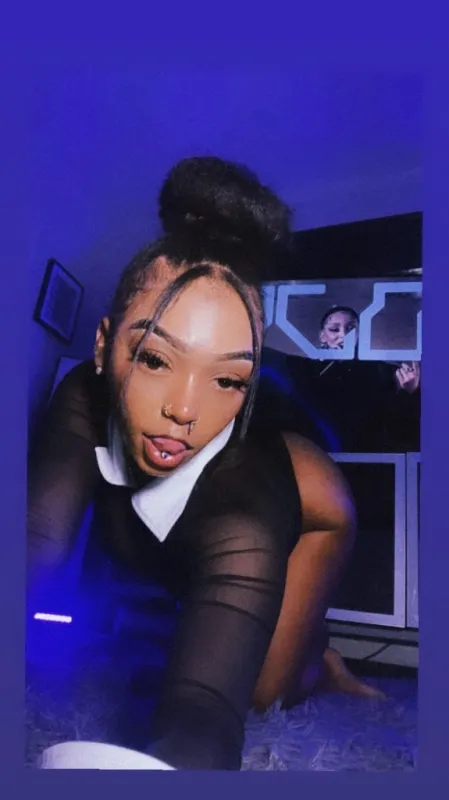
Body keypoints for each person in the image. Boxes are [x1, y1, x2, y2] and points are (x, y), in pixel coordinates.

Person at [28, 157, 379, 772]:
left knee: (263, 693)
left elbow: (205, 715)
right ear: (104, 346)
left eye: (228, 378)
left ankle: (320, 660)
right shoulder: (82, 393)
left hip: (311, 503)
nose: (185, 410)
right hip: (197, 512)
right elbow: (36, 543)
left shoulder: (242, 512)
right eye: (154, 359)